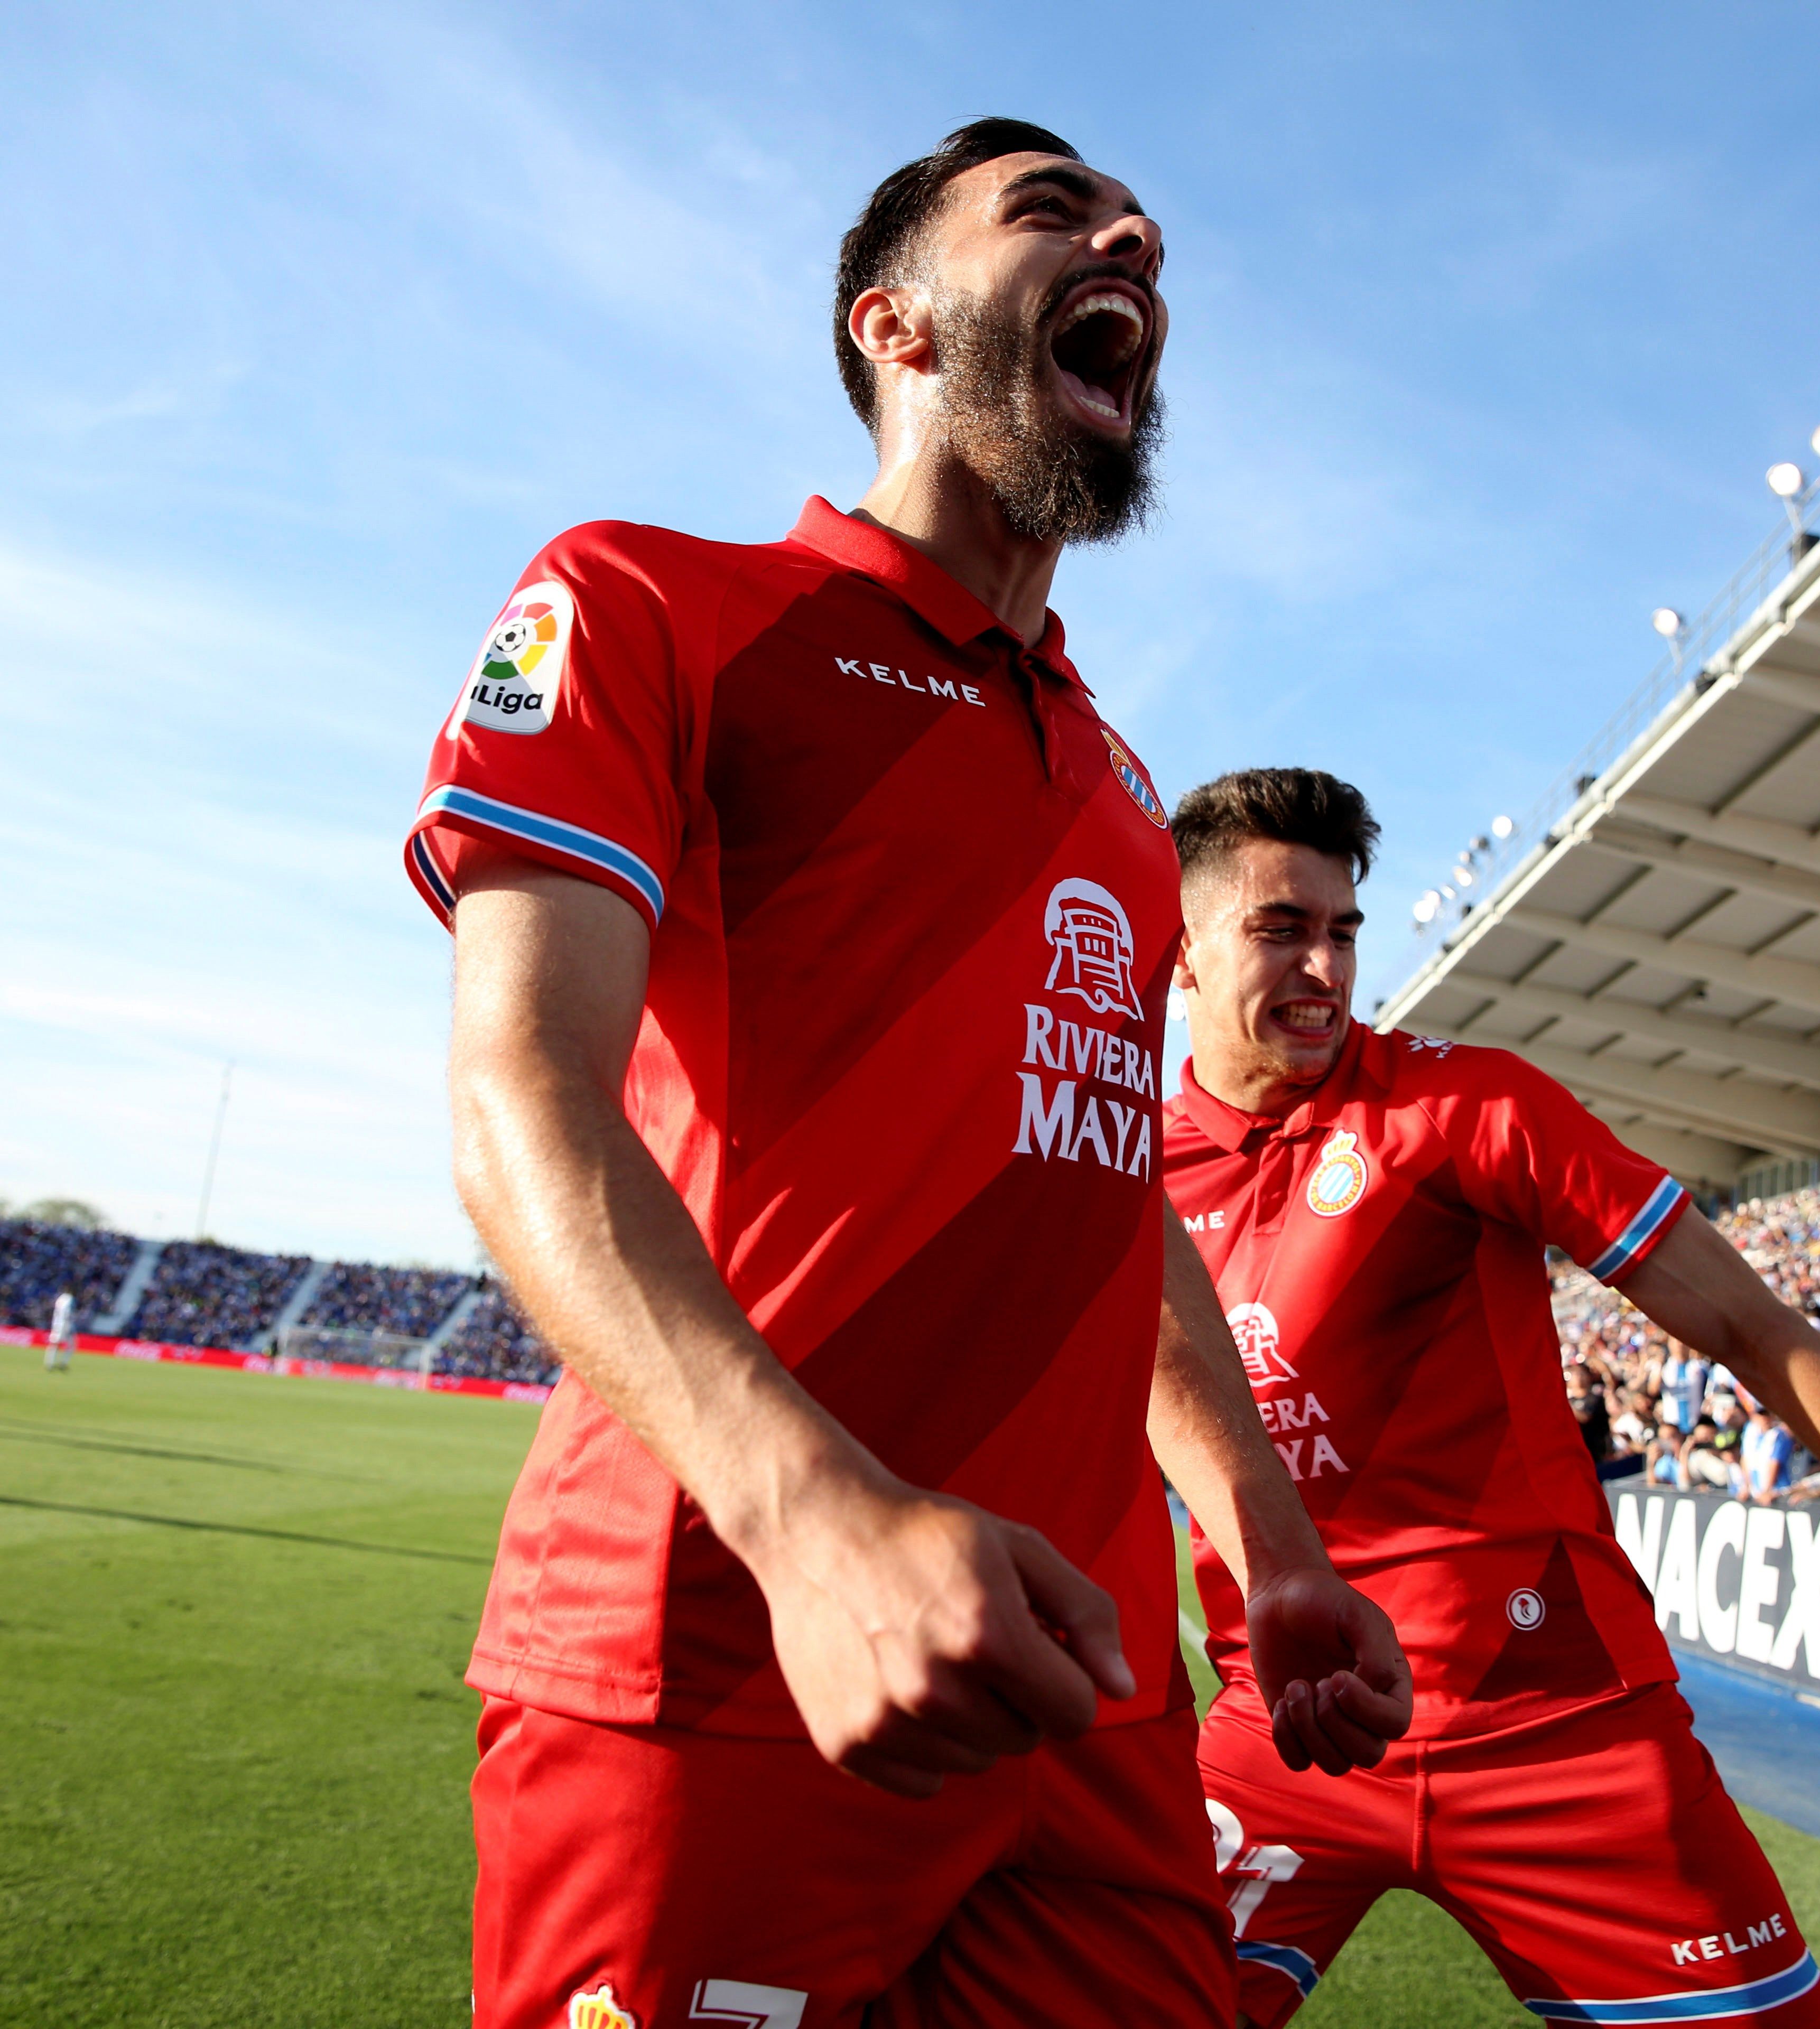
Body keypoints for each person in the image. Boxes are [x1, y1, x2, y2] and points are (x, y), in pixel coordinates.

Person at [407, 123, 1408, 2029]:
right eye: (1048, 212)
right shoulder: (648, 607)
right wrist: (812, 1520)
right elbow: (514, 1093)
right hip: (720, 1647)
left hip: (1087, 1702)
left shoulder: (1122, 793)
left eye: (1138, 233)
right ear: (895, 323)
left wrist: (1266, 1545)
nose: (1130, 231)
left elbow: (1111, 1201)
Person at [1159, 768, 1820, 2029]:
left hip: (1557, 1723)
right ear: (1177, 951)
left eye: (1342, 930)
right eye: (1279, 927)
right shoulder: (1117, 1161)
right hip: (1284, 1734)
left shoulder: (1467, 1106)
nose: (1326, 967)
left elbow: (1753, 1328)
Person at [44, 1287, 75, 1372]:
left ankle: (49, 1363)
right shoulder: (69, 1299)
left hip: (56, 1324)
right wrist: (68, 1326)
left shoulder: (60, 1299)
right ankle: (63, 1363)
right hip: (65, 1325)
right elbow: (67, 1313)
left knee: (54, 1344)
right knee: (71, 1345)